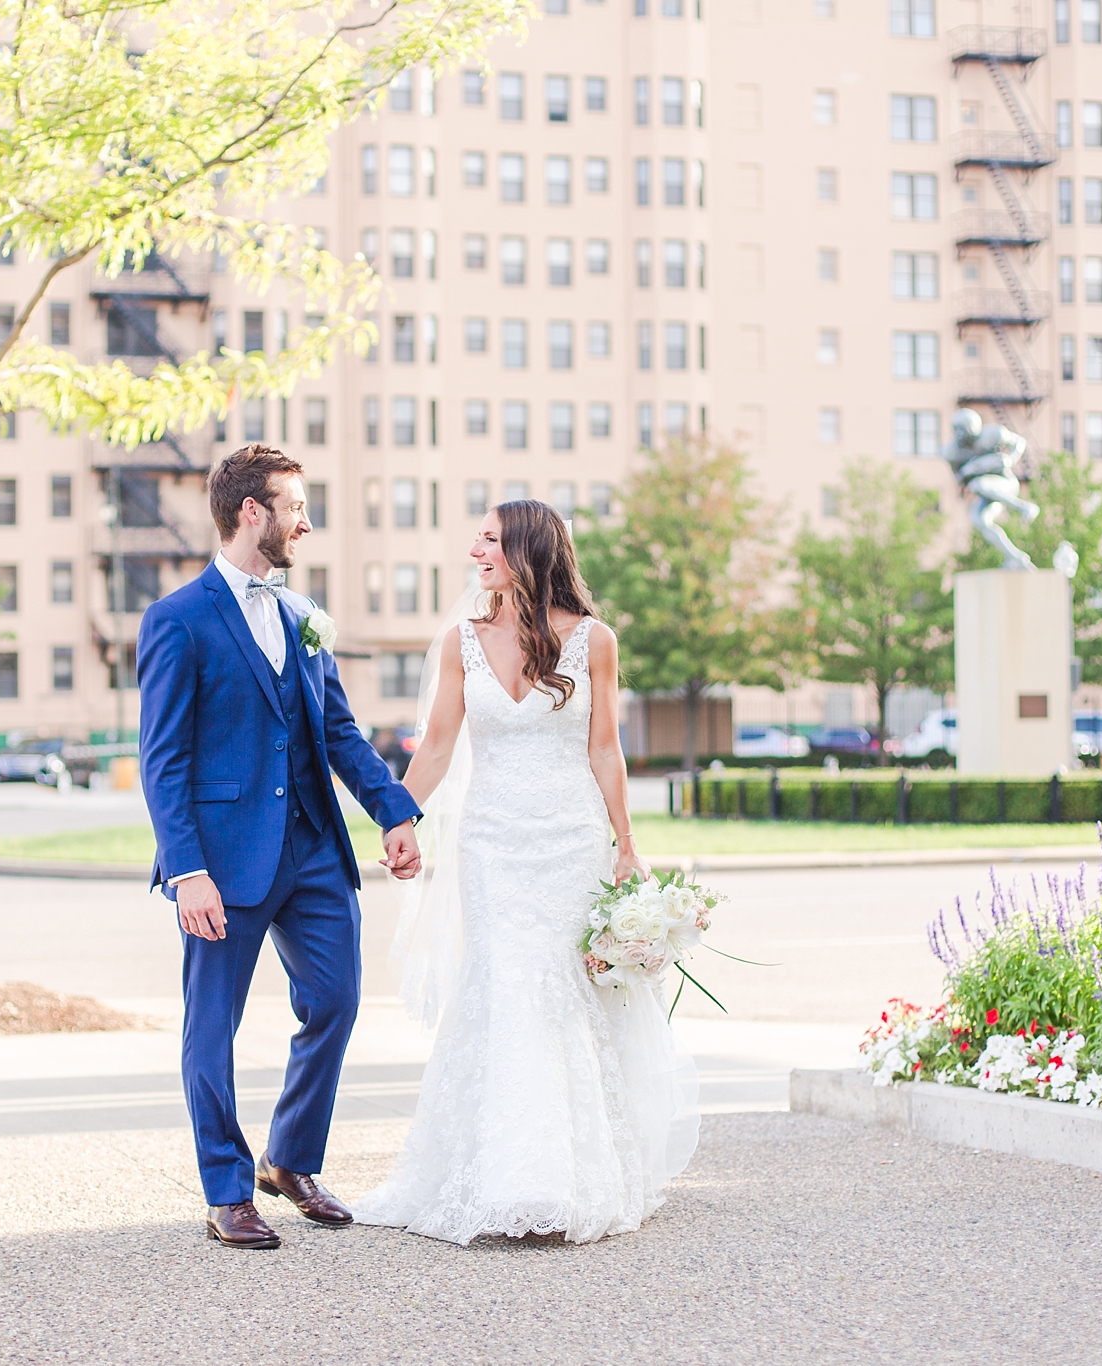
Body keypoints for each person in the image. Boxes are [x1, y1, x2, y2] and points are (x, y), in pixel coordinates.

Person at [352, 500, 700, 1245]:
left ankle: (568, 1174)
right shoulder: (460, 643)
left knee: (562, 994)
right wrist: (399, 817)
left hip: (569, 842)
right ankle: (508, 1174)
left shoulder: (594, 642)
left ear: (528, 550)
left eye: (490, 538)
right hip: (492, 846)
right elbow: (438, 747)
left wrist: (626, 843)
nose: (474, 548)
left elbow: (604, 748)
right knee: (506, 988)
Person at [136, 443, 424, 1251]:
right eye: (296, 506)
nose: (307, 521)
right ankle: (226, 1189)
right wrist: (187, 871)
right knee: (211, 1026)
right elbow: (164, 760)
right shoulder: (176, 620)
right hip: (223, 865)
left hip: (312, 852)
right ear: (252, 512)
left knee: (335, 999)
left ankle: (290, 1160)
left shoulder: (304, 618)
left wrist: (393, 812)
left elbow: (338, 732)